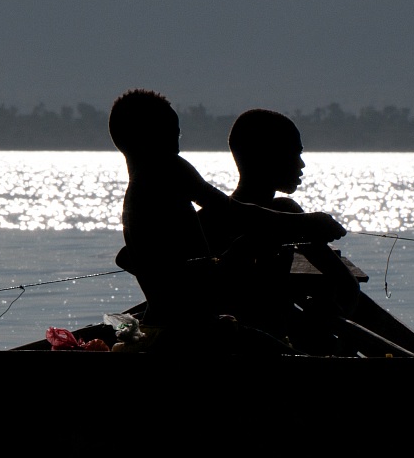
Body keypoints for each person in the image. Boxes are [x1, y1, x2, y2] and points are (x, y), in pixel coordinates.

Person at [109, 90, 345, 341]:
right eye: (172, 135)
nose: (177, 144)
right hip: (188, 332)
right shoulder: (169, 168)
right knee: (272, 347)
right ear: (147, 139)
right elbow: (234, 212)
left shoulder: (137, 190)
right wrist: (308, 222)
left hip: (159, 325)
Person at [208, 108, 360, 344]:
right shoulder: (287, 214)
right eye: (294, 154)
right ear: (266, 157)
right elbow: (347, 286)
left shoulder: (209, 217)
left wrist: (327, 312)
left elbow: (347, 286)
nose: (301, 165)